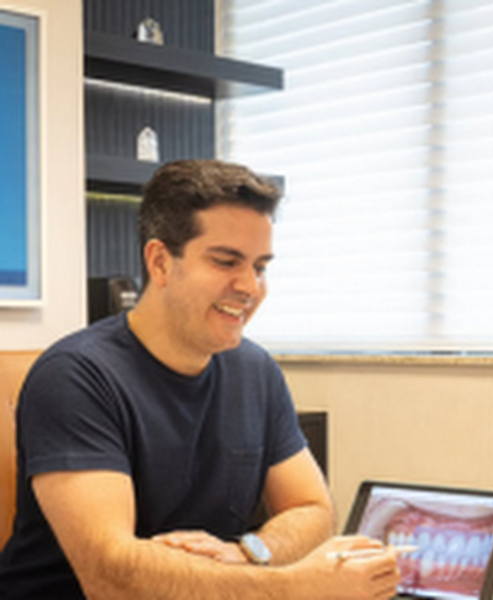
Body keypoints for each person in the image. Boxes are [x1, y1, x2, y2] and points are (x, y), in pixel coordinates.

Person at [0, 159, 401, 599]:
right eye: (227, 261)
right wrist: (293, 587)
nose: (250, 286)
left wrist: (248, 552)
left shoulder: (255, 371)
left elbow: (312, 507)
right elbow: (111, 578)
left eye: (261, 266)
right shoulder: (76, 377)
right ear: (160, 262)